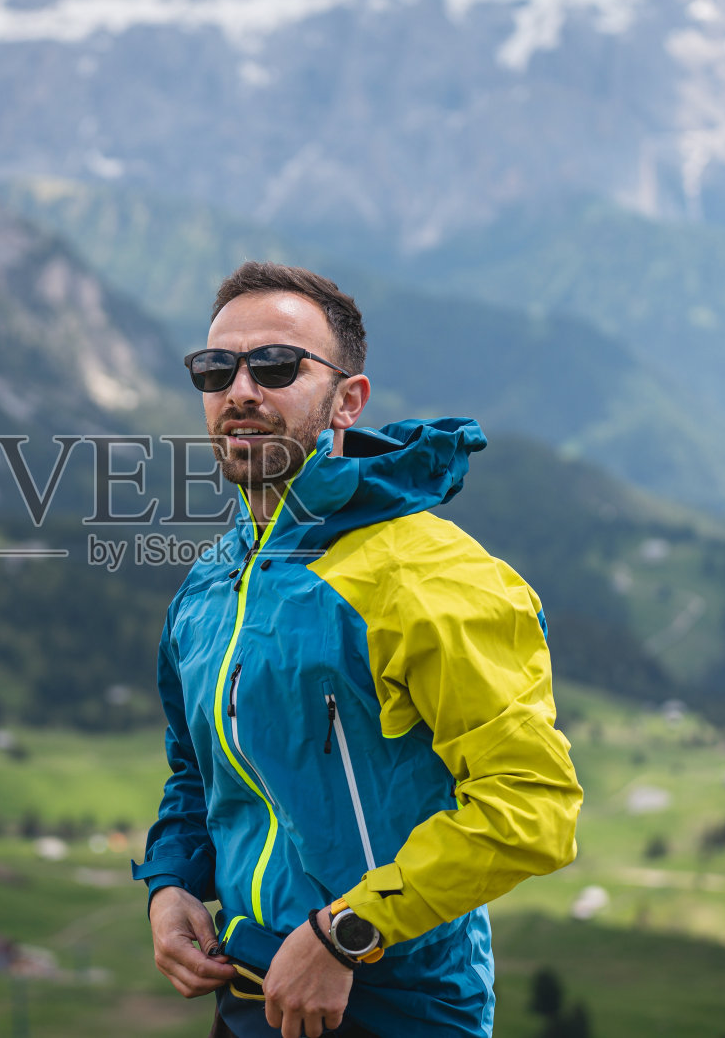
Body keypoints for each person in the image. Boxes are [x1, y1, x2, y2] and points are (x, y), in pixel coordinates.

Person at [132, 263, 584, 1038]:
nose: (240, 390)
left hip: (400, 1009)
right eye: (216, 369)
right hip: (249, 998)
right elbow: (195, 770)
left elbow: (533, 808)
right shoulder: (212, 584)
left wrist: (346, 933)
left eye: (276, 366)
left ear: (349, 399)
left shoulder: (431, 575)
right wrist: (171, 882)